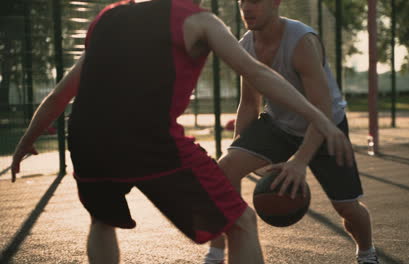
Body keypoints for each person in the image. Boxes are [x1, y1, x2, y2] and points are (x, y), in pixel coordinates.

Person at [10, 0, 355, 263]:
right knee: (242, 222)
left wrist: (28, 138)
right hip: (150, 142)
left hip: (86, 139)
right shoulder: (199, 21)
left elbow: (60, 94)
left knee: (102, 221)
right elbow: (257, 74)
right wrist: (320, 118)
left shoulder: (108, 18)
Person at [204, 0, 379, 264]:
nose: (246, 9)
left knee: (347, 208)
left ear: (275, 2)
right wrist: (239, 150)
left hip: (326, 125)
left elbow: (322, 109)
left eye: (254, 2)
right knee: (225, 169)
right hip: (279, 125)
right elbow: (250, 103)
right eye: (242, 3)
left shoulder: (301, 42)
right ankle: (215, 256)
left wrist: (299, 162)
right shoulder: (246, 45)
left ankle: (367, 254)